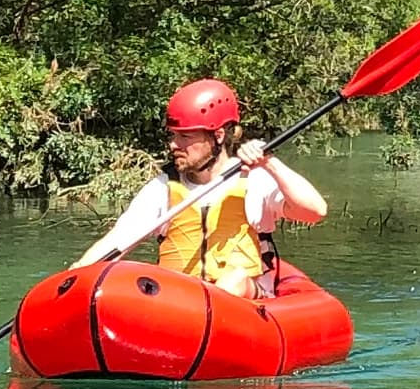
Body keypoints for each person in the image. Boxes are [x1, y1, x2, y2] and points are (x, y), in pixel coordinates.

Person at [78, 78, 330, 296]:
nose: (174, 144)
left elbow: (315, 212)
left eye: (185, 136)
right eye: (173, 135)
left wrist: (270, 162)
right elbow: (117, 240)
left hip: (247, 303)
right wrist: (75, 277)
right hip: (182, 303)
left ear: (217, 136)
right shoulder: (163, 187)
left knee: (234, 279)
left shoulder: (253, 179)